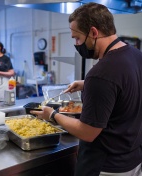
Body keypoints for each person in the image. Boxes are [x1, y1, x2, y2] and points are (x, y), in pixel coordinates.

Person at [31, 2, 142, 176]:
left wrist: (52, 115)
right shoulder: (136, 56)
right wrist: (87, 83)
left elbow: (87, 132)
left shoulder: (101, 73)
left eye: (77, 38)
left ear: (93, 32)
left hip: (105, 166)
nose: (76, 44)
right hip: (132, 160)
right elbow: (126, 87)